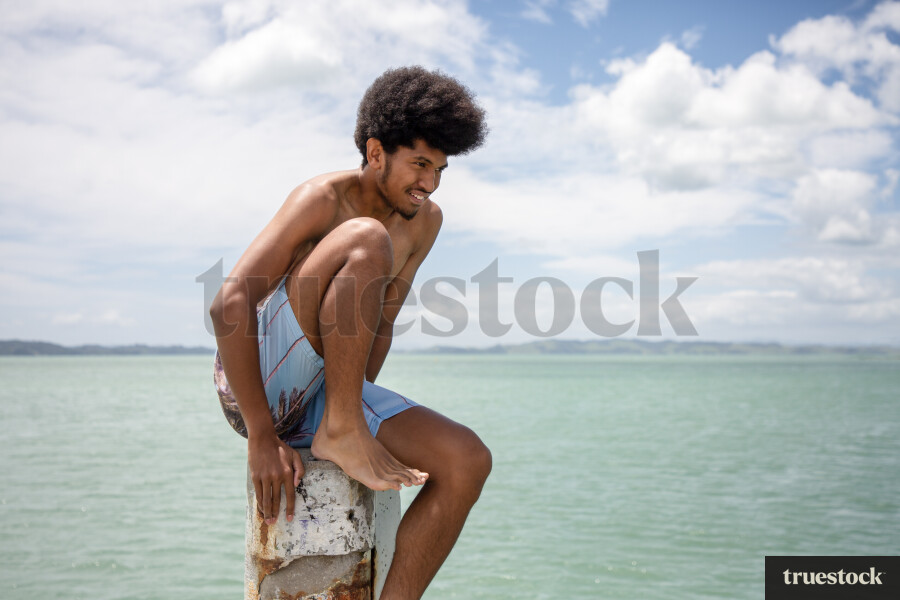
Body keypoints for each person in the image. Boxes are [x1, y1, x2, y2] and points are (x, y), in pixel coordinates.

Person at [210, 66, 492, 599]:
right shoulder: (321, 198)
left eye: (439, 170)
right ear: (377, 152)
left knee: (467, 459)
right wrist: (263, 437)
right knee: (365, 238)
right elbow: (229, 304)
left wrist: (362, 412)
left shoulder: (425, 221)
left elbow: (381, 320)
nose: (428, 184)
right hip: (258, 380)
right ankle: (340, 429)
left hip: (324, 390)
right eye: (420, 164)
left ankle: (343, 432)